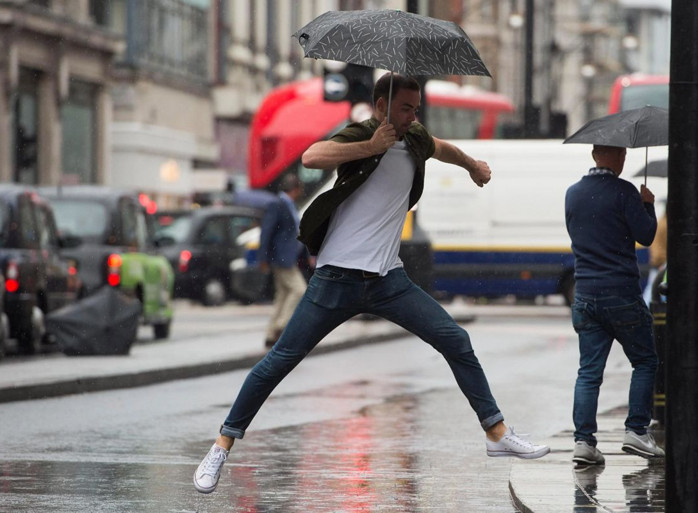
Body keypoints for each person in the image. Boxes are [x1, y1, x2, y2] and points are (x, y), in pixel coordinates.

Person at [193, 73, 549, 494]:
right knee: (279, 362)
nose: (413, 116)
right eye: (405, 108)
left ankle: (497, 434)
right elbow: (312, 156)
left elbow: (442, 148)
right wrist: (371, 147)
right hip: (335, 279)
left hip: (388, 280)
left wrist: (472, 165)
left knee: (456, 340)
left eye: (417, 109)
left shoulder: (415, 138)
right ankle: (221, 445)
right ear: (382, 106)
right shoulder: (361, 133)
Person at [565, 145, 664, 466]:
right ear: (617, 155)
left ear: (594, 154)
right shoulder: (624, 192)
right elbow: (647, 236)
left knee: (589, 373)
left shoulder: (572, 193)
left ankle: (583, 442)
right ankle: (636, 430)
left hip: (585, 293)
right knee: (646, 360)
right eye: (621, 154)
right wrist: (647, 205)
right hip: (620, 292)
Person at [259, 174, 309, 348]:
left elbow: (295, 233)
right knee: (299, 290)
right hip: (281, 258)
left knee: (281, 296)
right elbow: (266, 232)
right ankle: (281, 325)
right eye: (299, 189)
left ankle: (270, 334)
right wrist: (263, 257)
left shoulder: (289, 205)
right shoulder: (278, 204)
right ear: (294, 189)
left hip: (287, 258)